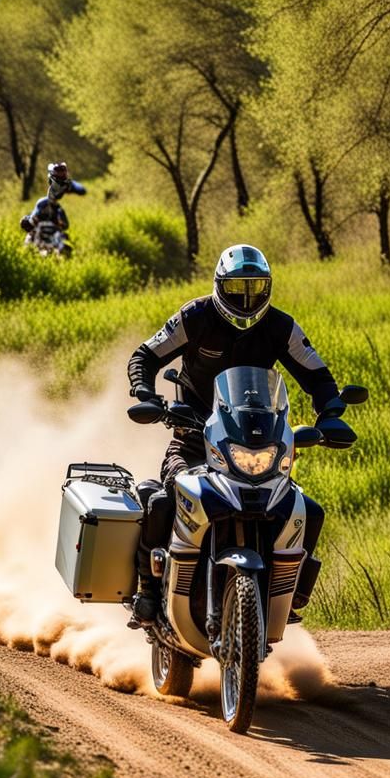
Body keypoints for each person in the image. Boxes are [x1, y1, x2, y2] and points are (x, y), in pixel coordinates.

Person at [126, 244, 340, 624]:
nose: (246, 298)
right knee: (164, 502)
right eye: (237, 288)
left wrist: (331, 410)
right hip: (193, 438)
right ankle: (147, 591)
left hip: (257, 442)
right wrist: (146, 392)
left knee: (307, 510)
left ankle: (288, 598)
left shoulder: (280, 327)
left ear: (267, 288)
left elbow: (317, 374)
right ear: (218, 285)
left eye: (255, 288)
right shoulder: (195, 317)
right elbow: (146, 355)